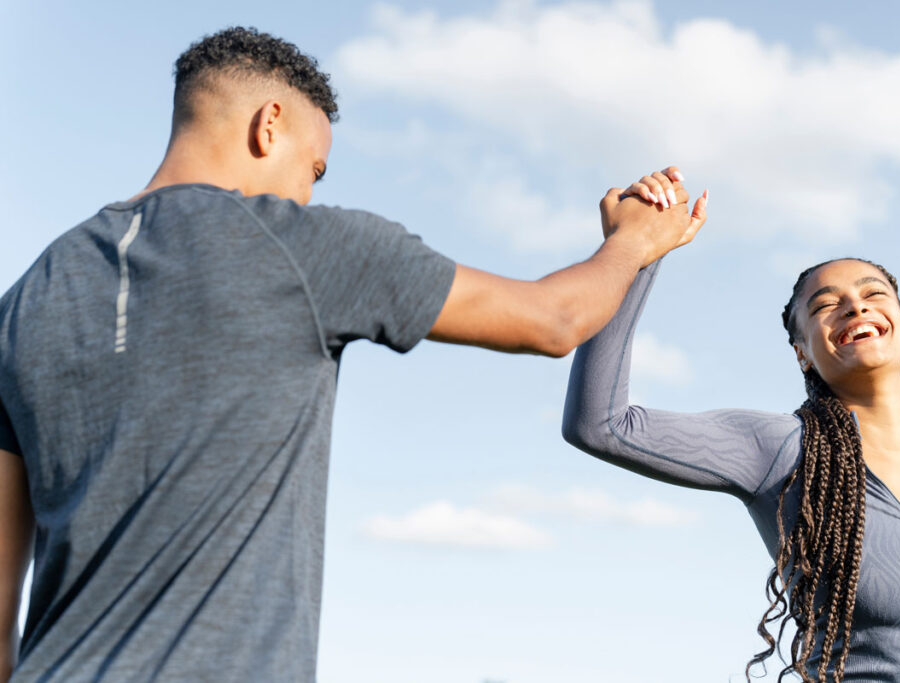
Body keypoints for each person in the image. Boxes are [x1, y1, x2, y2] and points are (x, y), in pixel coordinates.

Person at [0, 29, 708, 681]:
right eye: (315, 168)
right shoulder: (295, 244)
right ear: (267, 123)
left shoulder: (26, 298)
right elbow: (554, 320)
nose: (308, 191)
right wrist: (634, 241)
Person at [562, 168, 900, 682]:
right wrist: (634, 252)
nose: (854, 305)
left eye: (873, 294)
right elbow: (601, 425)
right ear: (803, 352)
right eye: (825, 305)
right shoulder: (781, 449)